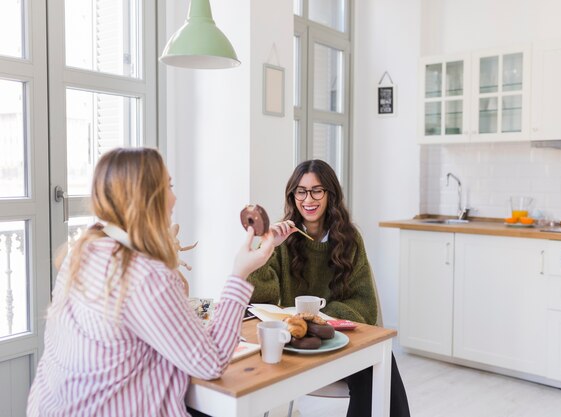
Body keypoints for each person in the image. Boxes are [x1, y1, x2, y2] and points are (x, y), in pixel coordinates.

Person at [27, 147, 274, 417]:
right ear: (146, 198)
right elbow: (210, 363)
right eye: (168, 187)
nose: (174, 198)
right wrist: (239, 274)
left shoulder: (84, 250)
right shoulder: (145, 274)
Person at [247, 159, 411, 417]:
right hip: (294, 343)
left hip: (336, 340)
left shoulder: (350, 239)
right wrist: (268, 246)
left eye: (317, 190)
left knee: (381, 365)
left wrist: (322, 320)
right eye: (301, 191)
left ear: (330, 195)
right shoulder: (282, 239)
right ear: (293, 195)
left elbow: (364, 304)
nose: (308, 199)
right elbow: (260, 298)